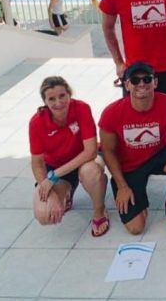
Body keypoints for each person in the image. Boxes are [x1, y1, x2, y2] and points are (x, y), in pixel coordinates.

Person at [98, 62, 166, 235]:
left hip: (157, 154)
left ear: (155, 82)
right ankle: (133, 193)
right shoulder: (111, 113)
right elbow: (108, 151)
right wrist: (122, 185)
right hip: (128, 166)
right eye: (135, 80)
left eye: (147, 79)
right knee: (136, 228)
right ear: (127, 85)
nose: (141, 84)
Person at [29, 77, 109, 237]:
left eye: (62, 96)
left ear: (69, 94)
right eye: (51, 99)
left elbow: (90, 151)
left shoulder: (81, 108)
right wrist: (46, 186)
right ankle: (66, 192)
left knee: (90, 172)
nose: (58, 102)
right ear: (44, 101)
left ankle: (99, 211)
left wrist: (53, 177)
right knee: (44, 215)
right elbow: (37, 163)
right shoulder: (37, 122)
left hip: (84, 161)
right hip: (57, 167)